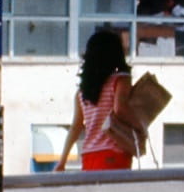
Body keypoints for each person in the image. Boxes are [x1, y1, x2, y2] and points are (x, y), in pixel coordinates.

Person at [52, 26, 135, 171]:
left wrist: (62, 162)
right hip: (114, 153)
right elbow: (120, 108)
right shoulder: (120, 80)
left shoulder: (82, 93)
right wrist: (140, 126)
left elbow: (75, 128)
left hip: (89, 156)